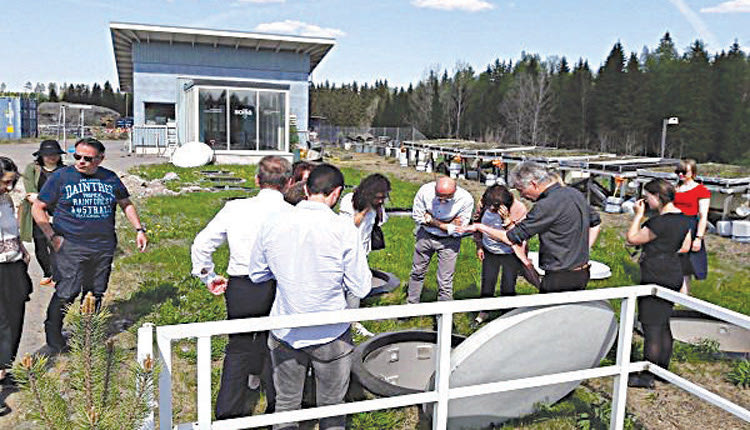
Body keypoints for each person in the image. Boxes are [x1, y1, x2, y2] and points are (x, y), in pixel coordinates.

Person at [249, 163, 371, 430]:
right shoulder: (343, 228)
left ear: (304, 188)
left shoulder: (273, 222)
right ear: (337, 193)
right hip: (331, 332)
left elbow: (256, 274)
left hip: (286, 329)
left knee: (286, 404)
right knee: (332, 408)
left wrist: (288, 274)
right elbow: (361, 287)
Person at [191, 156, 293, 419]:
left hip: (243, 285)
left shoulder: (235, 208)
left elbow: (202, 244)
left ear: (257, 180)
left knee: (238, 348)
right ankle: (278, 411)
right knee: (278, 346)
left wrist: (208, 276)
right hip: (281, 285)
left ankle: (227, 414)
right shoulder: (294, 214)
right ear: (289, 182)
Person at [32, 138, 148, 353]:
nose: (81, 162)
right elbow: (38, 207)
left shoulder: (110, 178)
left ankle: (88, 334)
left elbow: (126, 204)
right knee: (68, 291)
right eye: (77, 156)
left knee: (95, 291)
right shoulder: (61, 177)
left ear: (100, 159)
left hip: (102, 245)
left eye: (88, 158)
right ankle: (54, 338)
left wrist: (139, 230)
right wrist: (52, 236)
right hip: (70, 245)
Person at [460, 162, 601, 293]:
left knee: (552, 317)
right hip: (582, 272)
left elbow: (511, 238)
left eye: (521, 190)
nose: (521, 195)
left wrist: (480, 227)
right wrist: (584, 251)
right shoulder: (574, 193)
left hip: (560, 277)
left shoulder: (545, 206)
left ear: (533, 184)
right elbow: (595, 223)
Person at [626, 179, 692, 388]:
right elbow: (685, 246)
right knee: (663, 323)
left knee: (651, 326)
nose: (646, 201)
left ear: (658, 197)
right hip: (673, 271)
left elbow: (633, 238)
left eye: (648, 197)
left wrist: (638, 216)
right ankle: (663, 370)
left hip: (655, 272)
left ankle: (647, 376)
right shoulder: (684, 220)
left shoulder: (658, 222)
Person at [339, 173, 391, 337]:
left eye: (383, 197)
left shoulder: (377, 206)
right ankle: (343, 319)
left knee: (356, 284)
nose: (381, 201)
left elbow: (382, 221)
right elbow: (351, 224)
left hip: (363, 250)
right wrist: (366, 208)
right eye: (378, 197)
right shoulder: (350, 200)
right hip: (346, 250)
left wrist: (378, 208)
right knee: (344, 284)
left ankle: (352, 320)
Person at [407, 176, 474, 304]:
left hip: (449, 241)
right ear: (434, 189)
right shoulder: (425, 191)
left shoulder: (466, 199)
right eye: (439, 196)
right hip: (425, 236)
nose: (442, 200)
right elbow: (418, 217)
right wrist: (448, 224)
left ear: (455, 191)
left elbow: (458, 229)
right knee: (417, 272)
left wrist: (432, 221)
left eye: (448, 198)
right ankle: (411, 305)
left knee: (445, 280)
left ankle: (444, 315)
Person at [0, 157, 32, 414]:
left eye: (12, 182)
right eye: (5, 183)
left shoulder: (6, 200)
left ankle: (3, 370)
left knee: (15, 316)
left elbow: (11, 230)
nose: (9, 188)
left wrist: (20, 247)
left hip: (13, 265)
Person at [472, 184, 528, 325]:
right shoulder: (484, 205)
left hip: (510, 252)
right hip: (490, 250)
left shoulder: (518, 209)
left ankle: (507, 313)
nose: (491, 209)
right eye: (489, 206)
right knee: (488, 281)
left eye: (495, 207)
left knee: (508, 284)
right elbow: (477, 224)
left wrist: (508, 221)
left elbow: (522, 235)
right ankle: (484, 312)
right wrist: (479, 245)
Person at [19, 140, 66, 286]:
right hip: (36, 213)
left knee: (56, 243)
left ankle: (58, 274)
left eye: (55, 154)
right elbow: (31, 192)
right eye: (48, 155)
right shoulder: (32, 168)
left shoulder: (64, 170)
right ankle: (48, 272)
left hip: (59, 212)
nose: (52, 157)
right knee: (40, 244)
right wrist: (41, 205)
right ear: (41, 156)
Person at [673, 159, 710, 296]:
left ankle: (683, 295)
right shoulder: (675, 189)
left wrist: (699, 238)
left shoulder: (701, 190)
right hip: (673, 225)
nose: (681, 174)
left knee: (686, 265)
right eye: (678, 171)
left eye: (684, 172)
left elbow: (703, 215)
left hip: (690, 227)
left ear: (693, 173)